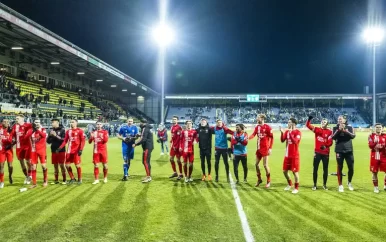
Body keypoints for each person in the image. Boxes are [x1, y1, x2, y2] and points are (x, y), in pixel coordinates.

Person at [306, 116, 333, 190]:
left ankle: (324, 185)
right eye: (322, 122)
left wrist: (325, 146)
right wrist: (309, 120)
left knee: (325, 169)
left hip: (325, 153)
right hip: (317, 152)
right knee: (315, 169)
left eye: (324, 122)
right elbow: (308, 126)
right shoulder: (317, 130)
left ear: (327, 124)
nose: (323, 123)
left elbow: (330, 142)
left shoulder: (329, 132)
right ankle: (314, 185)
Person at [248, 114, 273, 188]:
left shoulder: (268, 127)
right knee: (256, 164)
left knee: (265, 165)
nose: (257, 119)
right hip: (258, 149)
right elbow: (253, 134)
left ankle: (268, 181)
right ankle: (259, 179)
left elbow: (272, 138)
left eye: (258, 118)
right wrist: (248, 138)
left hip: (265, 149)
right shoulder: (257, 127)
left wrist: (270, 148)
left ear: (262, 118)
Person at [332, 115, 355, 192]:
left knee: (351, 168)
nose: (339, 120)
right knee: (339, 167)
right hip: (339, 150)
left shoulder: (350, 127)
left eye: (341, 119)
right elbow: (333, 137)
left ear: (345, 120)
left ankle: (349, 182)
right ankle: (340, 185)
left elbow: (353, 136)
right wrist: (339, 130)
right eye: (338, 119)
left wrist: (345, 131)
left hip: (349, 150)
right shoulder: (335, 128)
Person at [58, 119, 85, 185]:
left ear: (76, 123)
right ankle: (72, 178)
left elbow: (83, 141)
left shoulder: (80, 131)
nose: (71, 123)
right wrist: (60, 147)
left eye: (73, 122)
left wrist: (81, 149)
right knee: (67, 165)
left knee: (77, 165)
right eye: (70, 122)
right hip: (69, 151)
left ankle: (80, 179)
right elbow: (65, 141)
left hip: (76, 151)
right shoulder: (68, 131)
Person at [280, 118, 302, 194]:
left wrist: (290, 133)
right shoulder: (287, 131)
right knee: (284, 171)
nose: (288, 123)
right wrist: (282, 133)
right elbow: (282, 140)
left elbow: (295, 141)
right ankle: (290, 184)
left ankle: (296, 188)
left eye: (289, 122)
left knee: (295, 172)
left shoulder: (298, 132)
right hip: (287, 155)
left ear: (293, 124)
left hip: (294, 155)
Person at [10, 114, 32, 184]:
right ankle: (27, 177)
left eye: (18, 118)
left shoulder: (28, 125)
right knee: (22, 163)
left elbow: (33, 129)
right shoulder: (15, 126)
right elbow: (12, 135)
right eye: (16, 118)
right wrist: (11, 141)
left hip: (27, 146)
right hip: (18, 147)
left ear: (22, 119)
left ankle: (30, 174)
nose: (16, 120)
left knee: (28, 161)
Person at [25, 119, 47, 188]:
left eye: (38, 122)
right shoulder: (31, 130)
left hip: (42, 151)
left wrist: (37, 130)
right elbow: (25, 137)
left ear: (40, 123)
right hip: (34, 151)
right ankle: (34, 183)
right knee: (33, 167)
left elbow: (43, 136)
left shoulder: (43, 129)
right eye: (35, 122)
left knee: (43, 166)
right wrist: (32, 131)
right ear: (33, 123)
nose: (37, 124)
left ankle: (45, 181)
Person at [47, 118, 66, 185]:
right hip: (53, 150)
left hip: (61, 150)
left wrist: (56, 136)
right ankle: (56, 180)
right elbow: (48, 142)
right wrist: (49, 136)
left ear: (57, 123)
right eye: (52, 122)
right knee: (55, 166)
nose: (52, 124)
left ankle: (64, 180)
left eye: (53, 122)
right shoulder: (51, 130)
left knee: (61, 165)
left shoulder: (62, 130)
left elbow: (64, 140)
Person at [368, 123, 386, 193]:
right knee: (374, 172)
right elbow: (370, 146)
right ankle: (376, 187)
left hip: (384, 156)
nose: (378, 129)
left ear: (382, 128)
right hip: (374, 156)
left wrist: (383, 145)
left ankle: (385, 185)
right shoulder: (371, 136)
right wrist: (375, 143)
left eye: (380, 127)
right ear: (374, 128)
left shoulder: (385, 136)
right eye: (377, 127)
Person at [0, 118, 13, 188]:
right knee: (1, 166)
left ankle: (10, 176)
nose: (5, 123)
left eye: (7, 121)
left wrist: (11, 144)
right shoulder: (0, 128)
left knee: (10, 166)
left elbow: (15, 140)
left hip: (9, 149)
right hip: (1, 150)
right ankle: (1, 181)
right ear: (1, 122)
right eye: (4, 121)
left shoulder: (11, 130)